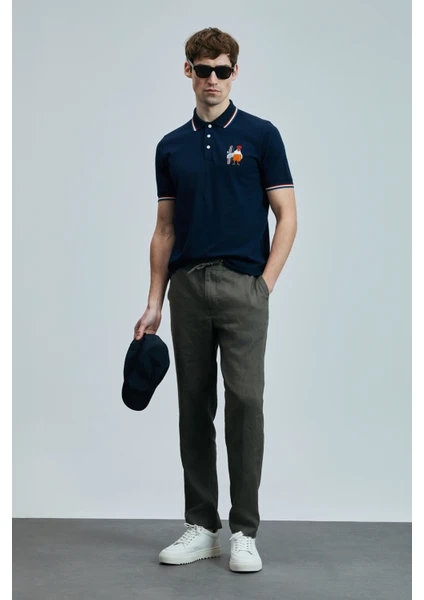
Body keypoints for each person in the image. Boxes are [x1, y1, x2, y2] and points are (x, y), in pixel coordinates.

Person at [133, 27, 297, 573]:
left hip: (243, 286)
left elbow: (287, 215)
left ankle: (244, 530)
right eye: (203, 70)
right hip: (187, 289)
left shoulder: (261, 135)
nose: (212, 80)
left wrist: (263, 285)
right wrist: (154, 301)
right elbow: (164, 229)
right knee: (194, 405)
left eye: (222, 71)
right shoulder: (171, 146)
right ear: (188, 71)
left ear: (234, 73)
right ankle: (202, 526)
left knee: (245, 404)